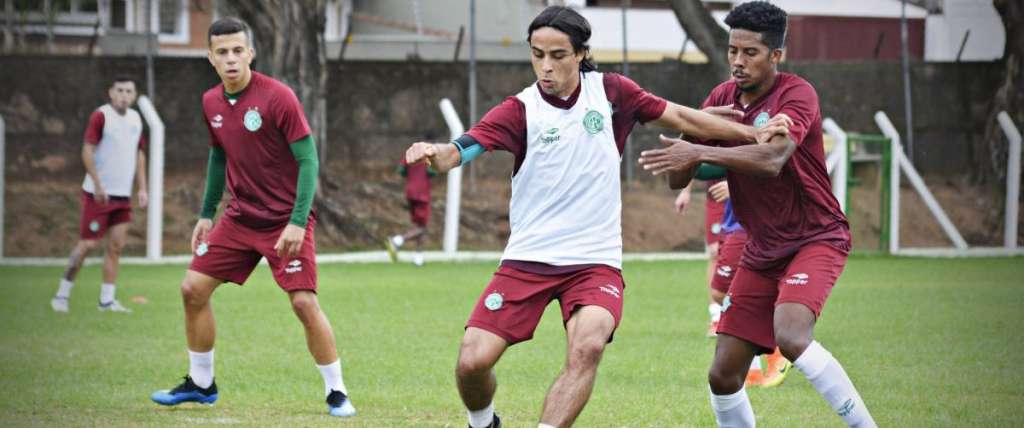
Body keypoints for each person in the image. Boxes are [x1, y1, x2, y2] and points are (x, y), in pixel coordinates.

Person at [404, 6, 780, 427]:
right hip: (528, 259)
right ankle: (483, 421)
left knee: (588, 347)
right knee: (471, 362)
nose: (546, 66)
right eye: (537, 54)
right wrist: (435, 153)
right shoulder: (520, 110)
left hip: (594, 262)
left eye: (558, 55)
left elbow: (679, 116)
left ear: (581, 53)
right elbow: (460, 150)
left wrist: (753, 133)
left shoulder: (612, 92)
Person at [638, 2, 877, 426]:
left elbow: (773, 158)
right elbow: (678, 180)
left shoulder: (796, 94)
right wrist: (692, 130)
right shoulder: (720, 98)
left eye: (750, 52)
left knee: (791, 336)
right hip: (762, 248)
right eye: (733, 51)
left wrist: (699, 146)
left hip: (815, 237)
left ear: (775, 56)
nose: (737, 62)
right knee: (723, 374)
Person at [148, 17, 355, 418]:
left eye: (238, 51)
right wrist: (206, 213)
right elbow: (217, 155)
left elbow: (308, 160)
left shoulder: (278, 97)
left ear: (251, 53)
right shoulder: (210, 102)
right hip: (240, 218)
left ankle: (337, 392)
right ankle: (202, 384)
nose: (231, 59)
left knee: (302, 303)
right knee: (192, 289)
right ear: (210, 58)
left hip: (285, 220)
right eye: (222, 52)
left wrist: (298, 220)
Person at [50, 76, 148, 313]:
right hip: (98, 195)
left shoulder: (136, 119)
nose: (124, 95)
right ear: (111, 93)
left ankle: (106, 301)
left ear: (134, 95)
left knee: (115, 247)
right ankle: (61, 295)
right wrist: (97, 184)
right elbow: (87, 150)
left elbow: (139, 154)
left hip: (122, 197)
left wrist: (142, 188)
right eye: (120, 90)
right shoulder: (101, 116)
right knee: (87, 244)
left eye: (129, 91)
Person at [673, 162, 730, 336]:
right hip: (717, 197)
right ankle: (716, 317)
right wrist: (685, 190)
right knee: (715, 252)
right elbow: (692, 155)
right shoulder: (710, 135)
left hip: (746, 194)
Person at [386, 132, 438, 266]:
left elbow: (401, 170)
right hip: (422, 194)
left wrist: (412, 175)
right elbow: (433, 172)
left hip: (410, 192)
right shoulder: (429, 155)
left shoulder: (411, 152)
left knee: (419, 225)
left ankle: (418, 258)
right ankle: (397, 241)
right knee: (423, 228)